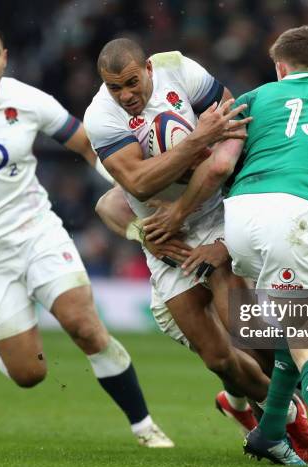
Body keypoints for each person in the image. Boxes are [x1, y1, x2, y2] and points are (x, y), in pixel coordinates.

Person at [0, 21, 173, 448]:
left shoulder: (28, 100)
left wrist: (123, 185)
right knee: (30, 374)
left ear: (4, 57)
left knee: (86, 327)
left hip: (38, 232)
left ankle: (144, 427)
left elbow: (85, 145)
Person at [142, 26, 308, 467]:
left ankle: (269, 431)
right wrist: (306, 189)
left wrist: (186, 211)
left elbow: (223, 164)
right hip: (294, 218)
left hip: (238, 218)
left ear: (279, 67)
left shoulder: (254, 98)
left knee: (288, 335)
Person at [83, 38, 276, 410]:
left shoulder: (177, 67)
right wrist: (199, 141)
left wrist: (189, 201)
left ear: (149, 69)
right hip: (168, 237)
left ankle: (301, 407)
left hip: (215, 211)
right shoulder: (100, 116)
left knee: (244, 327)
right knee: (219, 359)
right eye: (114, 87)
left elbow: (232, 119)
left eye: (131, 82)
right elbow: (137, 184)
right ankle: (272, 406)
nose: (125, 95)